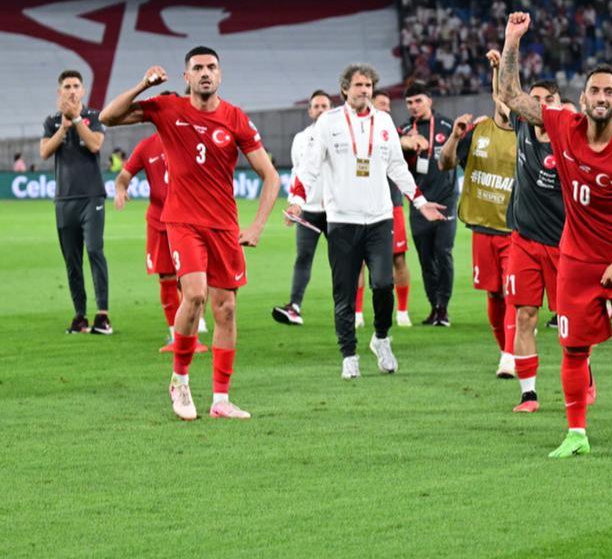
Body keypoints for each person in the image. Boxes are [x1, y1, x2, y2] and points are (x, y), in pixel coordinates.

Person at [497, 11, 612, 461]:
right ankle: (576, 433)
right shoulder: (562, 128)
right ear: (583, 98)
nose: (601, 97)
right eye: (595, 90)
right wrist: (513, 40)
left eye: (609, 91)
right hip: (576, 261)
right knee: (573, 349)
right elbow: (509, 94)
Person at [101, 48, 280, 421]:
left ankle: (220, 398)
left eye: (211, 67)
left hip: (224, 225)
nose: (205, 73)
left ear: (220, 74)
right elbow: (108, 116)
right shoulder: (168, 107)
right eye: (197, 68)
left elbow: (271, 177)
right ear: (185, 77)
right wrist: (141, 86)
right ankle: (179, 380)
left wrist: (258, 225)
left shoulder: (235, 118)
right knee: (195, 294)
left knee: (226, 309)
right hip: (182, 221)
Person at [286, 64, 445, 379]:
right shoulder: (328, 123)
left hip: (378, 218)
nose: (364, 91)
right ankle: (349, 355)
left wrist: (422, 202)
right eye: (358, 85)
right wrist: (297, 201)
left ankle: (381, 338)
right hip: (342, 221)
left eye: (369, 86)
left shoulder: (384, 122)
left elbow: (398, 168)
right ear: (345, 89)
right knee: (343, 292)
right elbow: (309, 167)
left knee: (383, 284)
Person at [440, 51, 518, 377]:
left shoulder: (526, 135)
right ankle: (505, 349)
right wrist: (455, 138)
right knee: (494, 293)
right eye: (499, 94)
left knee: (513, 294)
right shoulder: (478, 130)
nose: (503, 101)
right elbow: (445, 163)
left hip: (515, 231)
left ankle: (511, 356)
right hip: (482, 229)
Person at [115, 117, 208, 353]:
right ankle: (175, 337)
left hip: (188, 221)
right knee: (166, 278)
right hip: (158, 222)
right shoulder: (147, 146)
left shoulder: (192, 141)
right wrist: (120, 188)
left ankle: (194, 333)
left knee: (190, 277)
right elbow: (124, 175)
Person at [505, 79, 569, 412]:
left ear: (560, 105)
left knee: (570, 321)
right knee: (525, 315)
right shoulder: (522, 125)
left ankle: (582, 374)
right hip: (524, 242)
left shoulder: (570, 140)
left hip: (563, 246)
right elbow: (504, 94)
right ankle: (528, 394)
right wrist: (509, 44)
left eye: (549, 99)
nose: (541, 104)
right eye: (535, 99)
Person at [40, 70, 111, 335]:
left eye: (76, 86)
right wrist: (63, 128)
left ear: (83, 91)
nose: (71, 90)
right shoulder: (51, 121)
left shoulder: (94, 117)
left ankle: (102, 315)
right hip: (64, 199)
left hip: (92, 196)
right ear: (60, 92)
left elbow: (94, 145)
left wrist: (77, 119)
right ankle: (80, 316)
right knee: (72, 260)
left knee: (94, 250)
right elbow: (45, 152)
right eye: (67, 86)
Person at [398, 82, 458, 326]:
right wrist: (406, 143)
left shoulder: (447, 126)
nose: (414, 106)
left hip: (445, 201)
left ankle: (443, 308)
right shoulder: (403, 130)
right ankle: (433, 306)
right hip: (418, 203)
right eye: (410, 102)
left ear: (429, 101)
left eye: (418, 101)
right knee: (425, 259)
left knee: (443, 253)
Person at [272, 89, 332, 326]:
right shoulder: (300, 139)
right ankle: (294, 306)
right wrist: (292, 203)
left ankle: (349, 308)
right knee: (303, 258)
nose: (320, 110)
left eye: (324, 106)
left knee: (343, 261)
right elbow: (298, 173)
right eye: (316, 106)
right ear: (309, 111)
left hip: (336, 212)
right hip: (308, 211)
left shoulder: (339, 136)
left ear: (331, 109)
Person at [370, 88, 414, 327]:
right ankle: (356, 313)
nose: (387, 108)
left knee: (399, 258)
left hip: (392, 204)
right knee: (360, 262)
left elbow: (406, 142)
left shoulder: (393, 132)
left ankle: (403, 310)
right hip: (364, 205)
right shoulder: (360, 132)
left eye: (388, 104)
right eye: (382, 104)